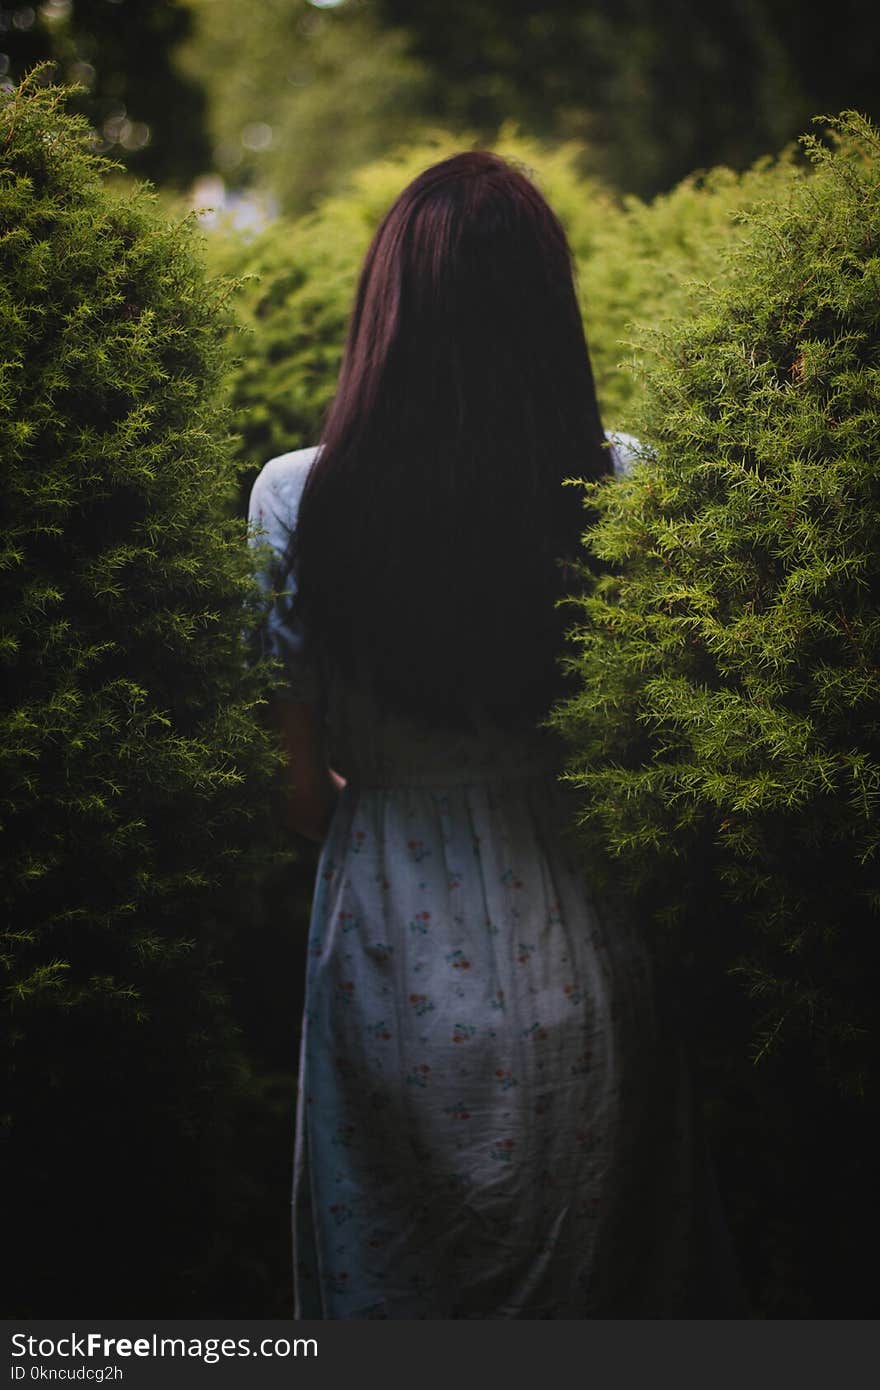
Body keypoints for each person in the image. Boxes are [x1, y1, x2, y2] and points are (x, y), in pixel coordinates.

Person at [248, 151, 744, 1319]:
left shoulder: (294, 497)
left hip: (387, 947)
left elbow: (300, 798)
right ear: (545, 309)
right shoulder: (622, 480)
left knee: (401, 1275)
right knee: (600, 1274)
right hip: (579, 920)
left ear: (386, 307)